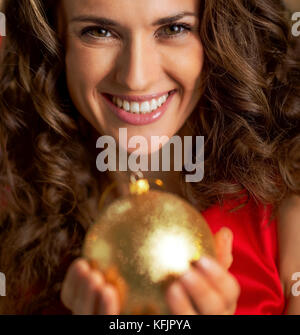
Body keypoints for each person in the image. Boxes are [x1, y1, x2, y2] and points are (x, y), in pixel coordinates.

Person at [0, 0, 299, 315]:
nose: (136, 78)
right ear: (55, 39)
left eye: (173, 29)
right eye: (99, 31)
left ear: (222, 35)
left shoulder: (287, 207)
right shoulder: (12, 213)